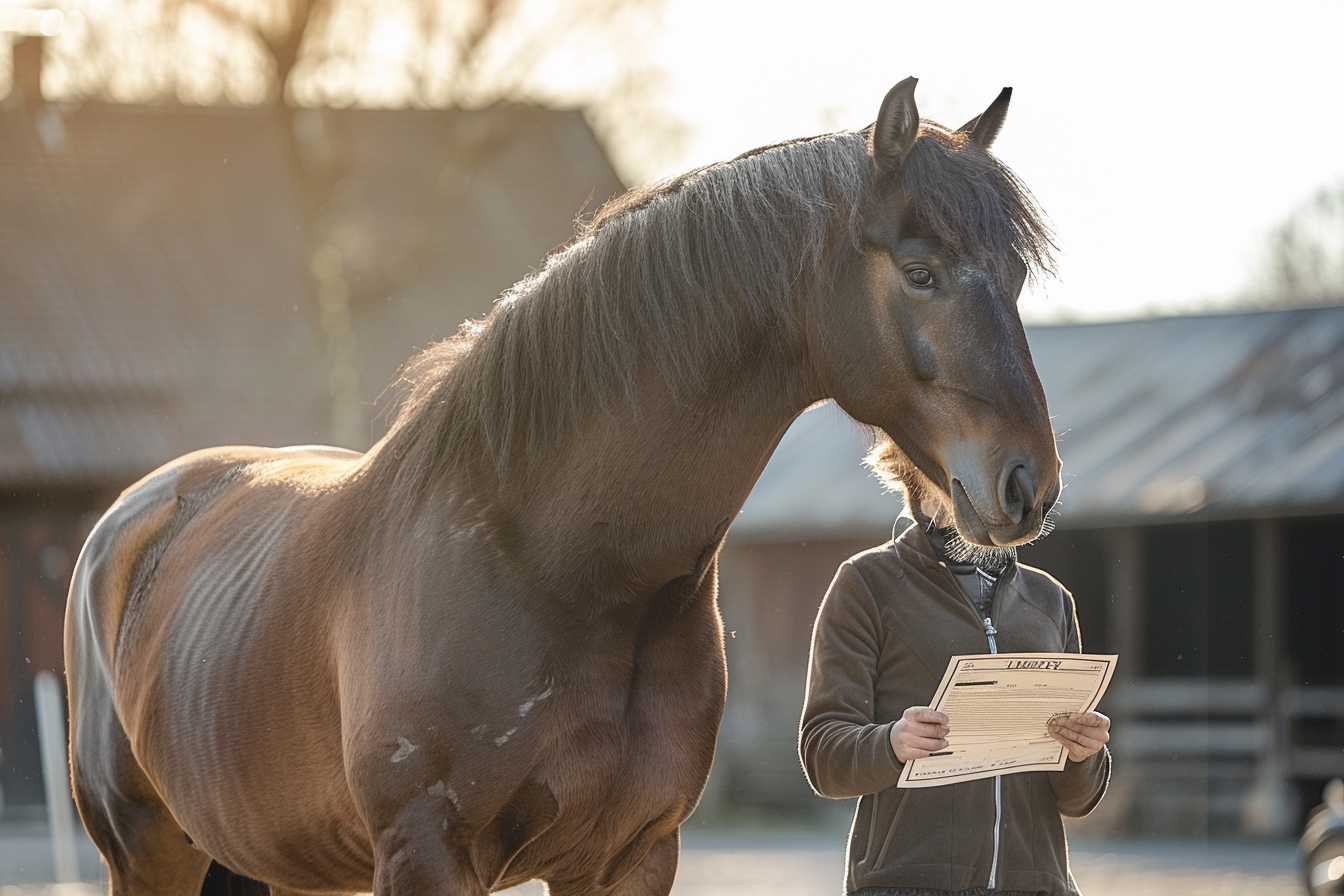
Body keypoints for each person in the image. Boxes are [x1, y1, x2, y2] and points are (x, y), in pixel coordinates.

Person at [799, 482, 1111, 896]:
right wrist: (891, 742)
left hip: (1039, 885)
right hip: (906, 885)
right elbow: (823, 756)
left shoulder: (1051, 599)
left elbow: (1076, 801)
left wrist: (1085, 755)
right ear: (915, 478)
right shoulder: (865, 583)